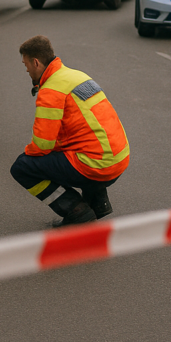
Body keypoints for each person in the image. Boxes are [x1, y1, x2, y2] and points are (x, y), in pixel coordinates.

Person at [10, 35, 130, 226]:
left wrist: (28, 154)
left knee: (22, 167)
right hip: (119, 158)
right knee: (77, 147)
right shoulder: (76, 75)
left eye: (26, 65)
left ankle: (76, 210)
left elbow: (42, 145)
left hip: (97, 164)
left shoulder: (50, 91)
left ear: (36, 62)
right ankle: (98, 203)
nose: (26, 70)